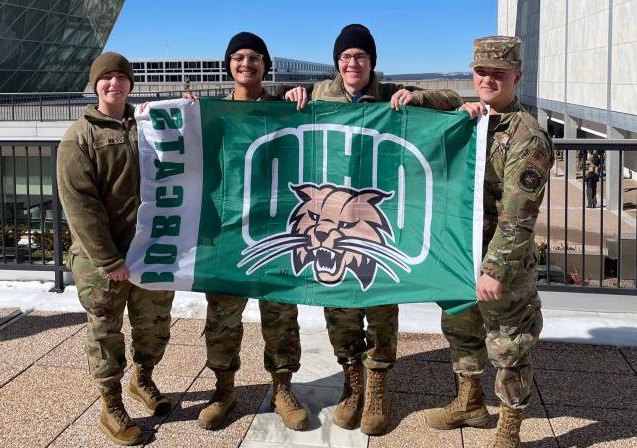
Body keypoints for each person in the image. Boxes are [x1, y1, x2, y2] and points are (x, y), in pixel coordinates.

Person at [285, 24, 464, 436]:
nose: (353, 63)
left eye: (360, 57)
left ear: (372, 63)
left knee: (382, 307)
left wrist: (421, 98)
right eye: (346, 57)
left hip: (374, 230)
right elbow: (275, 111)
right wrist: (289, 95)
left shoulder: (389, 94)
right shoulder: (319, 96)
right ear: (337, 63)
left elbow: (453, 100)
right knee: (340, 311)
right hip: (328, 226)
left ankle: (378, 387)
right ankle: (352, 384)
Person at [424, 36, 554, 448]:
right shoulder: (475, 120)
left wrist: (493, 268)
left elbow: (518, 215)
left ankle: (509, 430)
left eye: (498, 73)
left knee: (509, 347)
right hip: (462, 254)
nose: (488, 79)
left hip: (502, 263)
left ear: (517, 76)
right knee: (461, 329)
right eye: (481, 71)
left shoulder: (527, 138)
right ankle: (470, 402)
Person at [57, 52, 175, 446]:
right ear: (95, 85)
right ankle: (111, 404)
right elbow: (80, 205)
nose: (114, 84)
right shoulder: (80, 136)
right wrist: (109, 260)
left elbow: (186, 146)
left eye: (121, 78)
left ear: (131, 84)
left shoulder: (148, 126)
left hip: (149, 253)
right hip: (102, 261)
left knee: (154, 324)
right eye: (106, 78)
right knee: (106, 332)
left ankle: (143, 380)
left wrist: (190, 111)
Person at [196, 32, 308, 432]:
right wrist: (187, 113)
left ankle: (282, 388)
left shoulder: (283, 108)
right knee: (222, 317)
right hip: (228, 231)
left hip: (275, 231)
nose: (247, 63)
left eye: (255, 58)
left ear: (266, 65)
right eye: (239, 57)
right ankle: (224, 389)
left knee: (280, 314)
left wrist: (299, 96)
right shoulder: (212, 113)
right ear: (228, 64)